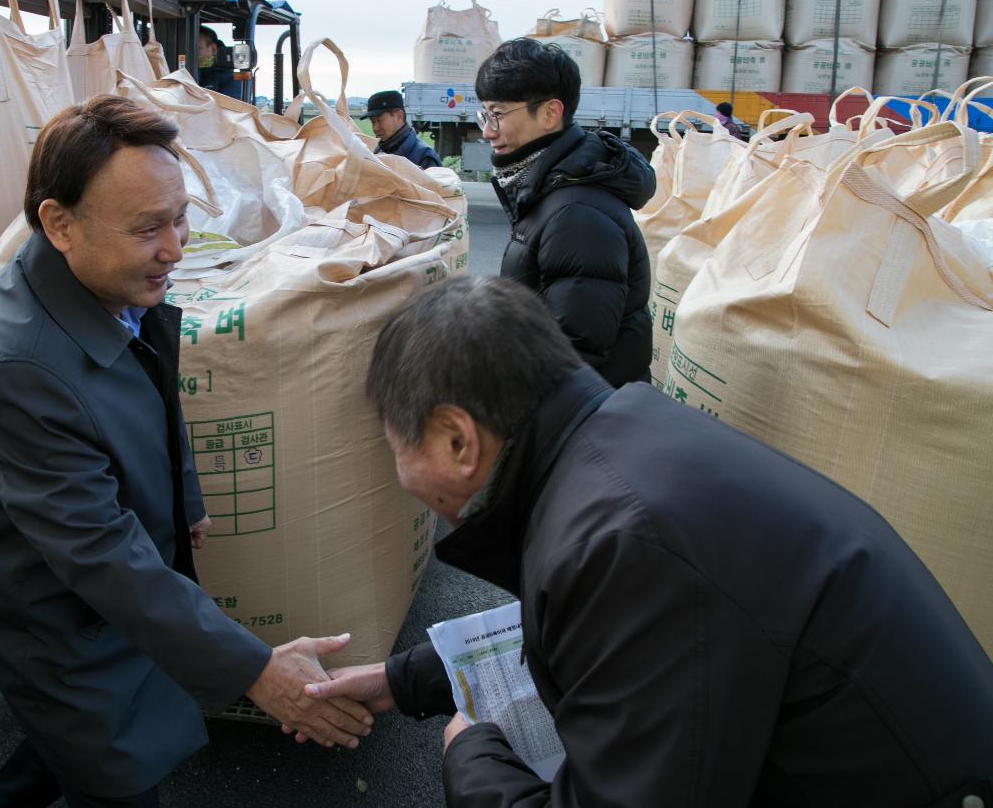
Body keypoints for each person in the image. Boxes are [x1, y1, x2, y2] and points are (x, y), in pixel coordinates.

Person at [305, 275, 993, 807]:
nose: (399, 476)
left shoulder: (629, 541)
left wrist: (472, 754)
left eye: (397, 446)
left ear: (458, 439)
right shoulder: (623, 437)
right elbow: (594, 629)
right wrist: (405, 679)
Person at [0, 96, 371, 808]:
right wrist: (257, 669)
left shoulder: (102, 282)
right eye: (150, 227)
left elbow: (154, 391)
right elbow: (102, 556)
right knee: (111, 763)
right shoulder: (17, 366)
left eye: (180, 217)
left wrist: (185, 500)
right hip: (55, 615)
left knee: (78, 747)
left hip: (110, 590)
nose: (175, 248)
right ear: (59, 224)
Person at [476, 38, 655, 387]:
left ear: (549, 114)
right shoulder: (550, 189)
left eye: (497, 114)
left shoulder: (577, 214)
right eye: (485, 114)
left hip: (589, 421)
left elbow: (574, 356)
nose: (487, 130)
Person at [362, 90, 441, 169]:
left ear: (399, 116)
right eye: (373, 122)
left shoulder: (425, 157)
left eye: (380, 121)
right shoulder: (375, 152)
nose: (375, 128)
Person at [196, 25, 242, 101]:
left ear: (213, 49)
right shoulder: (178, 70)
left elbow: (224, 108)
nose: (190, 54)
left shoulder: (231, 79)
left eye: (197, 48)